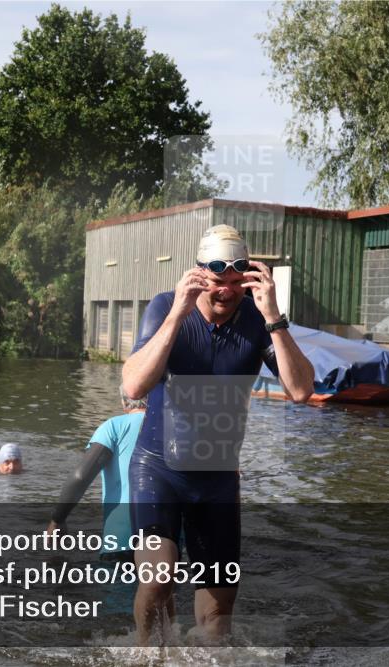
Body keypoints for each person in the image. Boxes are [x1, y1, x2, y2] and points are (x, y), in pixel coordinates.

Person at [121, 224, 314, 644]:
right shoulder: (165, 307)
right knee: (158, 577)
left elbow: (301, 391)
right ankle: (146, 654)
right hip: (158, 470)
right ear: (198, 274)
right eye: (217, 282)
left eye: (235, 283)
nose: (226, 292)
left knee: (216, 621)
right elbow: (133, 386)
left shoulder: (258, 320)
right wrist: (177, 314)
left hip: (218, 481)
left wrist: (274, 318)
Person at [46, 387, 146, 561]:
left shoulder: (114, 426)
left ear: (124, 401)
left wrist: (58, 519)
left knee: (120, 587)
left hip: (120, 539)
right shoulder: (175, 427)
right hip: (168, 540)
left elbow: (80, 477)